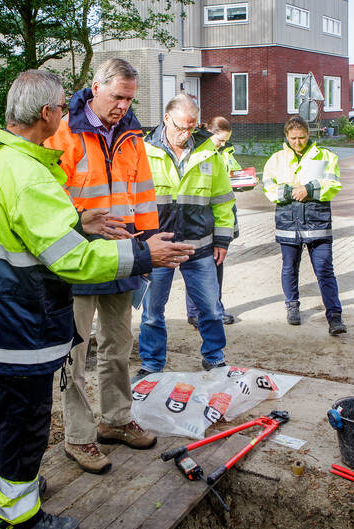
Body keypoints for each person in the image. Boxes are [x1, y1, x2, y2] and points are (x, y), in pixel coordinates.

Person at [0, 70, 194, 529]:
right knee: (25, 422)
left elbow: (23, 234)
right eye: (61, 107)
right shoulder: (28, 175)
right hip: (21, 323)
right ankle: (21, 518)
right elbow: (72, 261)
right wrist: (144, 254)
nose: (64, 113)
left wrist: (79, 219)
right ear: (46, 114)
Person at [43, 59, 159, 475]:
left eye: (130, 98)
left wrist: (146, 251)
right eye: (117, 97)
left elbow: (144, 196)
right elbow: (48, 199)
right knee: (72, 352)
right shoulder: (63, 131)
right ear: (95, 88)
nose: (123, 106)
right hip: (75, 256)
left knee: (118, 345)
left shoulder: (132, 135)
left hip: (123, 257)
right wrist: (78, 226)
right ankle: (78, 436)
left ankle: (115, 419)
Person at [137, 94, 236, 379]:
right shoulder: (143, 151)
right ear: (166, 118)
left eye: (192, 127)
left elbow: (223, 200)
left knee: (211, 309)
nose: (186, 134)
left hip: (200, 246)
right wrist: (138, 244)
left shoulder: (208, 152)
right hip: (157, 248)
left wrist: (223, 240)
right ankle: (152, 365)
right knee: (152, 312)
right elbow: (132, 201)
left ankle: (214, 358)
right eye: (181, 127)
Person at [262, 116, 347, 336]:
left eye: (301, 137)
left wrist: (309, 189)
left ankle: (335, 317)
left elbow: (333, 184)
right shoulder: (276, 160)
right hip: (289, 222)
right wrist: (291, 192)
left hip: (317, 223)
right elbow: (269, 188)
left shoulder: (326, 157)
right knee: (289, 268)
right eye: (293, 138)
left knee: (325, 271)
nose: (297, 142)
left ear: (309, 135)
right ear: (286, 136)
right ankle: (292, 306)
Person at [185, 116, 240, 327]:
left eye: (227, 140)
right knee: (197, 266)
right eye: (221, 140)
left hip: (221, 215)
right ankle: (195, 312)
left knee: (216, 265)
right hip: (199, 218)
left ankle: (216, 306)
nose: (224, 144)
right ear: (209, 131)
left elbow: (230, 176)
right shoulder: (199, 152)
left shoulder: (224, 152)